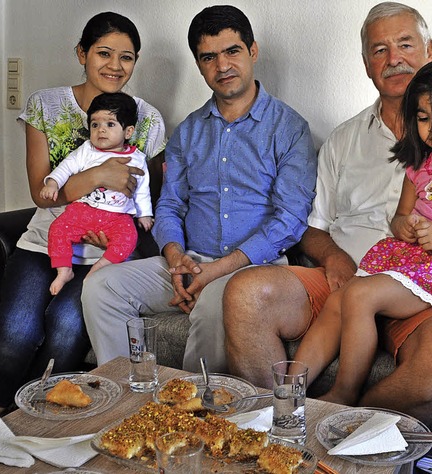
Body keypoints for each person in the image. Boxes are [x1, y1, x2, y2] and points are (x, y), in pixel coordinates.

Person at [223, 2, 432, 433]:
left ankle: (341, 428)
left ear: (429, 50)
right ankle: (275, 423)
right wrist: (333, 259)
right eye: (379, 50)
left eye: (405, 44)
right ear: (367, 64)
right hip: (358, 270)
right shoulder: (343, 140)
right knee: (245, 292)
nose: (394, 59)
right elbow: (314, 229)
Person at [0, 12, 166, 441]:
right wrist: (99, 175)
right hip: (47, 238)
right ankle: (0, 399)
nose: (114, 65)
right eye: (104, 53)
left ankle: (37, 410)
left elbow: (149, 195)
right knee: (15, 328)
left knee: (67, 328)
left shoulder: (147, 118)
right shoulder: (46, 105)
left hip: (106, 253)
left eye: (127, 57)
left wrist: (118, 221)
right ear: (82, 53)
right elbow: (40, 191)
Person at [81, 5, 317, 372]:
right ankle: (129, 401)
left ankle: (195, 415)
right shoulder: (189, 131)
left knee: (214, 305)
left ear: (252, 52)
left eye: (232, 51)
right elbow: (171, 205)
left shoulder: (289, 129)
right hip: (189, 261)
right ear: (199, 64)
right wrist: (176, 259)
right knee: (102, 288)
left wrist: (219, 270)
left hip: (254, 269)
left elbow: (289, 219)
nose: (222, 66)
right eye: (209, 57)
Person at [292, 56, 432, 406]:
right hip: (415, 261)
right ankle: (289, 390)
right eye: (425, 118)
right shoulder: (419, 164)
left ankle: (345, 394)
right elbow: (399, 218)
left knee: (359, 295)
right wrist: (407, 227)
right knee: (341, 297)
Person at [41, 92, 154, 295]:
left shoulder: (137, 158)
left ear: (128, 131)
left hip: (117, 217)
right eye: (95, 125)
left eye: (110, 124)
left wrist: (145, 214)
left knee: (129, 238)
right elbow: (66, 167)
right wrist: (52, 182)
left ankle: (100, 267)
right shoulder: (87, 150)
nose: (101, 130)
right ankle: (64, 270)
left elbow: (142, 188)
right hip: (83, 210)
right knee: (58, 229)